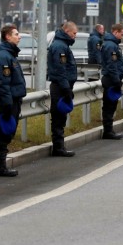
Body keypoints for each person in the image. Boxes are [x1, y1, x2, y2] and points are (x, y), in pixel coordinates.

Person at [0, 24, 26, 176]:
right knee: (3, 134)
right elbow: (3, 83)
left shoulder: (10, 55)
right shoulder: (4, 56)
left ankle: (1, 165)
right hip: (8, 103)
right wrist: (7, 104)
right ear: (7, 37)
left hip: (13, 101)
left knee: (7, 134)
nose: (20, 36)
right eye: (16, 34)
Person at [47, 21, 78, 157]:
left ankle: (59, 146)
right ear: (67, 32)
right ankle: (58, 147)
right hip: (60, 87)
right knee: (58, 118)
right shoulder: (60, 47)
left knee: (61, 117)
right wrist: (66, 88)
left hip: (63, 86)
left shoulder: (63, 45)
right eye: (74, 33)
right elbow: (60, 70)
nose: (75, 36)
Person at [100, 23, 123, 140]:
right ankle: (108, 131)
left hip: (112, 79)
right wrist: (117, 81)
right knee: (109, 106)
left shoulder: (112, 44)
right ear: (115, 32)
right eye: (121, 33)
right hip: (111, 80)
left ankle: (109, 130)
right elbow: (112, 65)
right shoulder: (111, 46)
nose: (122, 36)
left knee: (111, 106)